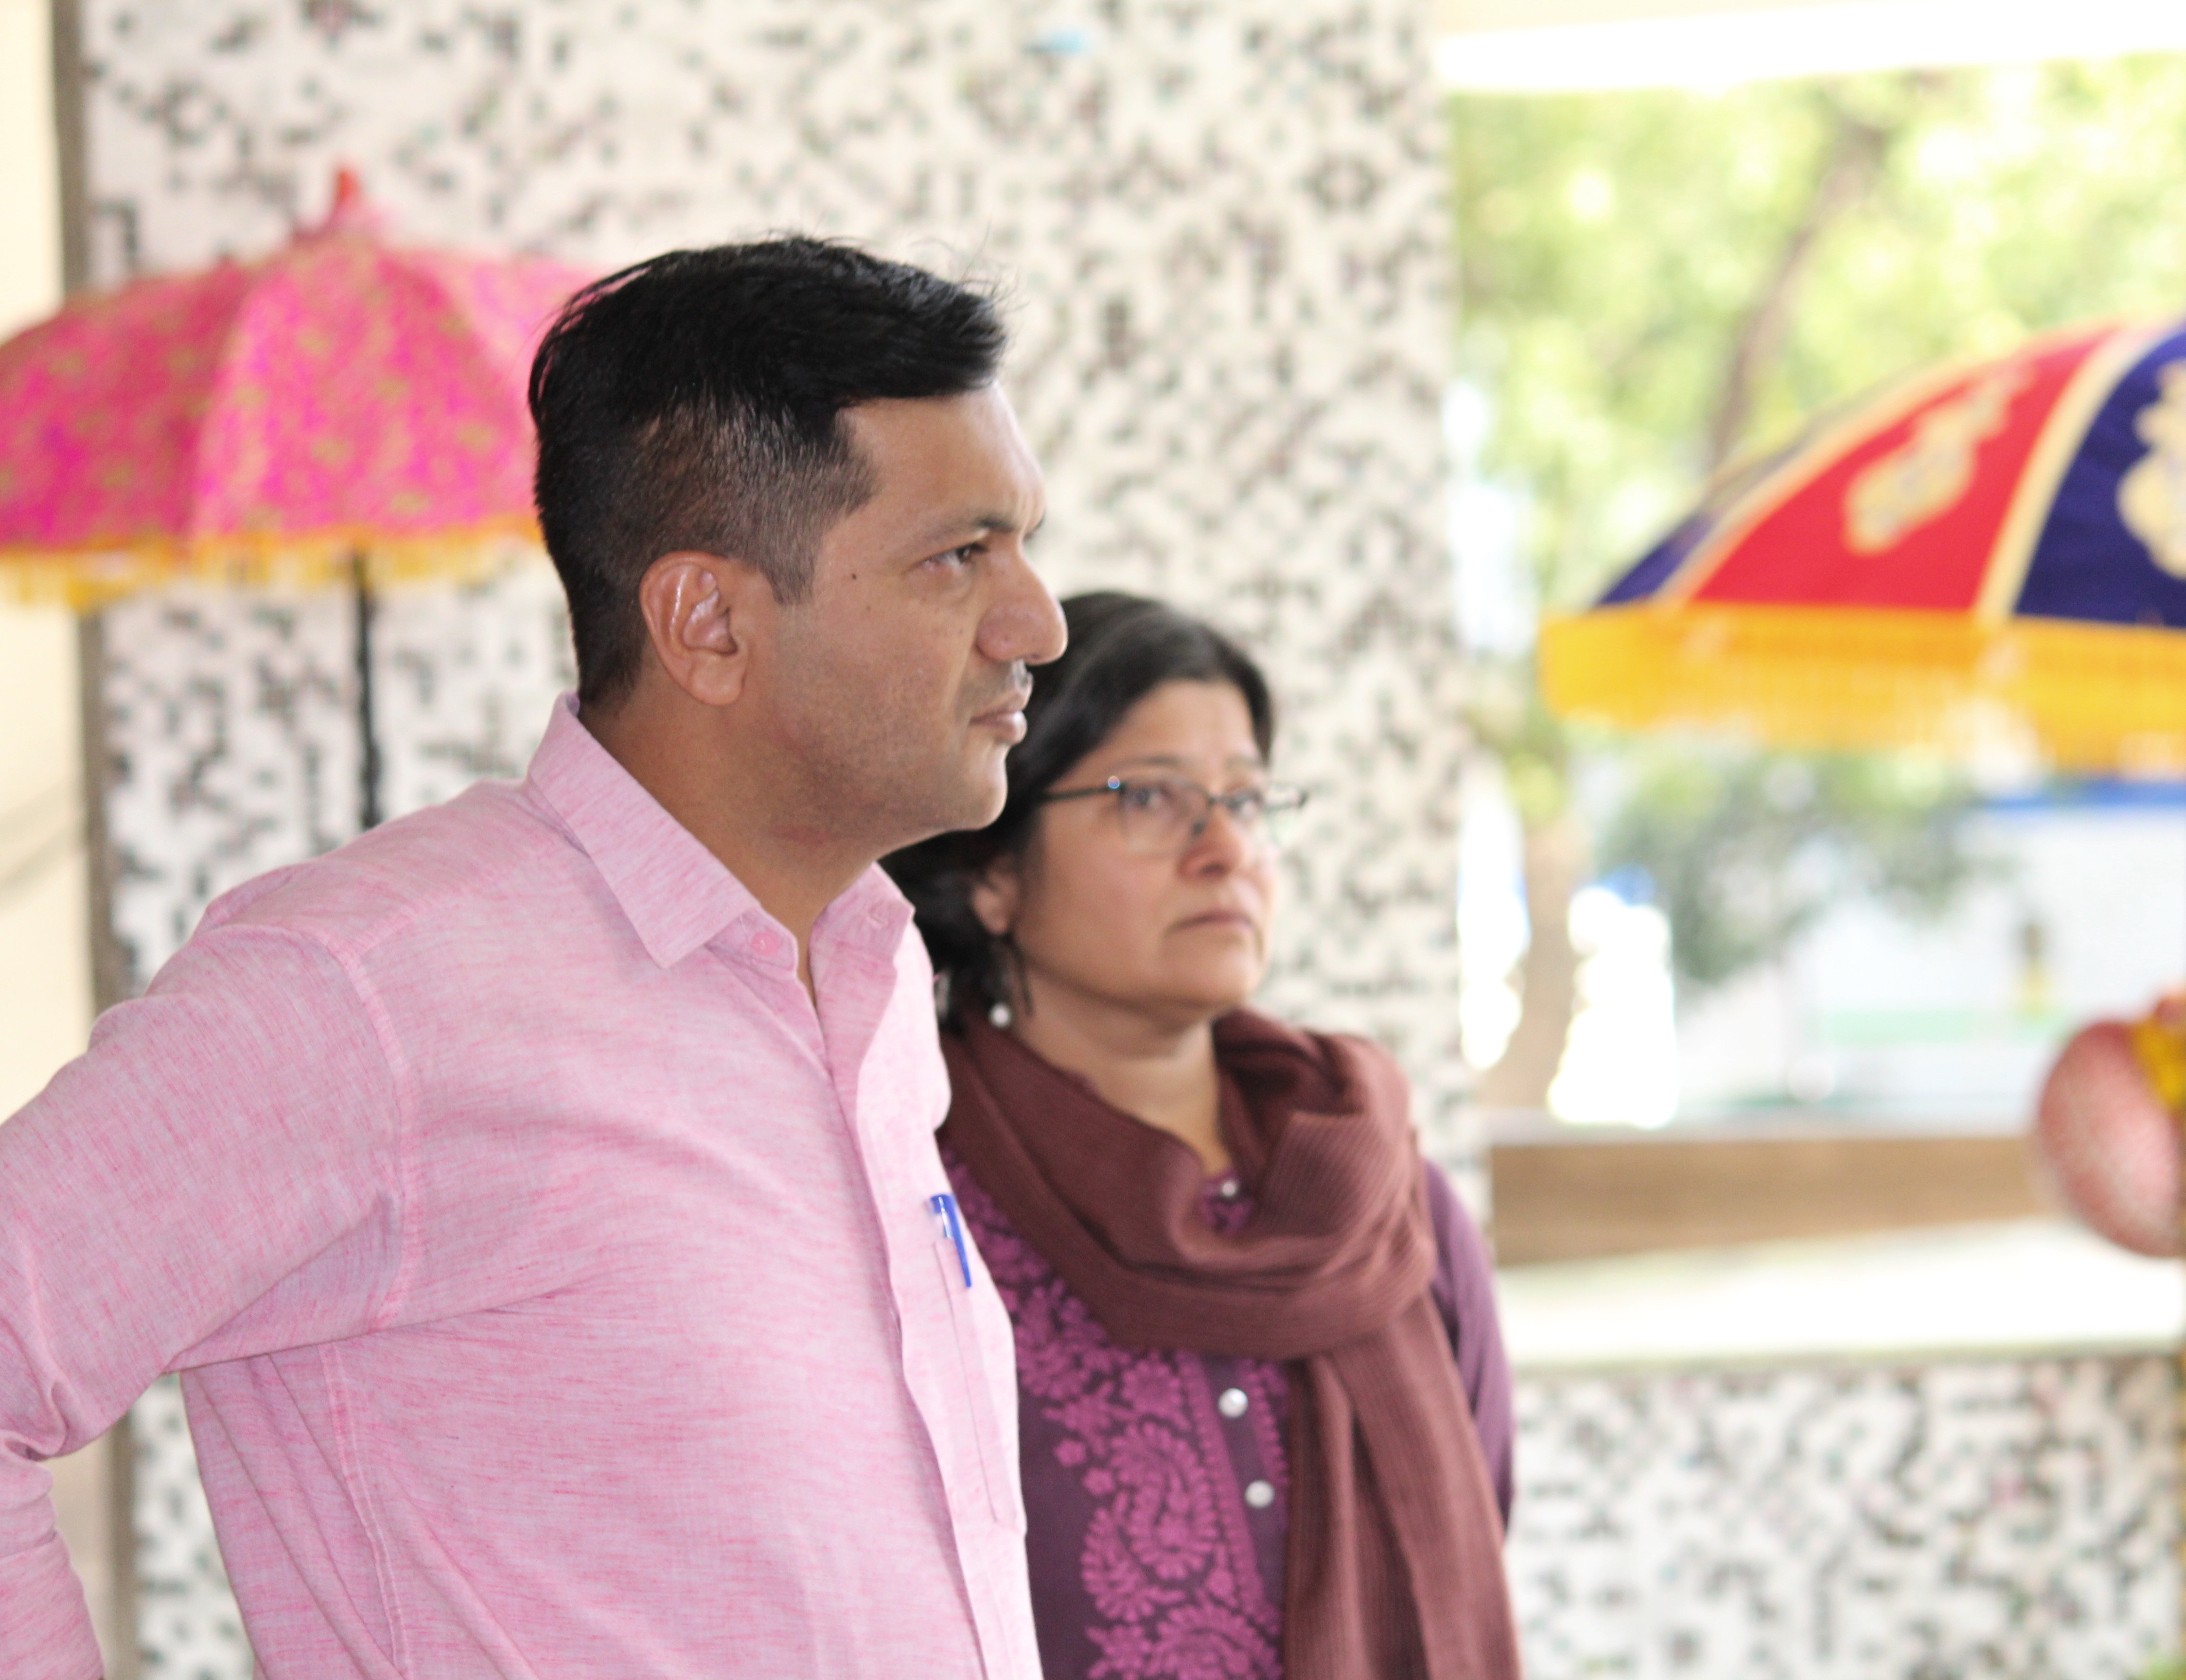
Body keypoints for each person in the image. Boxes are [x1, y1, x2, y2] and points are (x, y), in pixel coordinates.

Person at [0, 238, 1066, 1680]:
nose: (1037, 624)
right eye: (960, 557)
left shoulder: (870, 975)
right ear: (709, 622)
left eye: (1026, 544)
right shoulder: (368, 986)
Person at [884, 593, 1522, 1680]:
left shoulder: (1389, 1205)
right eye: (1150, 798)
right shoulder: (921, 1218)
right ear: (993, 871)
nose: (1226, 848)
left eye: (1247, 800)